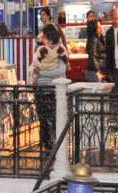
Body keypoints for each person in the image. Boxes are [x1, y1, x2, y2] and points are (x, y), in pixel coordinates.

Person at [30, 24, 67, 152]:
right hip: (42, 88)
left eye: (44, 36)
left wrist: (41, 72)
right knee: (43, 119)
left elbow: (61, 70)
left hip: (53, 89)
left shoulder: (60, 50)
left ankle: (54, 144)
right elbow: (34, 67)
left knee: (54, 117)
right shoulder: (41, 50)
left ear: (50, 38)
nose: (42, 38)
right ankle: (46, 144)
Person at [84, 12, 104, 83]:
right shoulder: (94, 40)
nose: (101, 28)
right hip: (94, 72)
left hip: (94, 70)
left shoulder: (97, 38)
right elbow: (93, 56)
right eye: (99, 27)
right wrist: (98, 71)